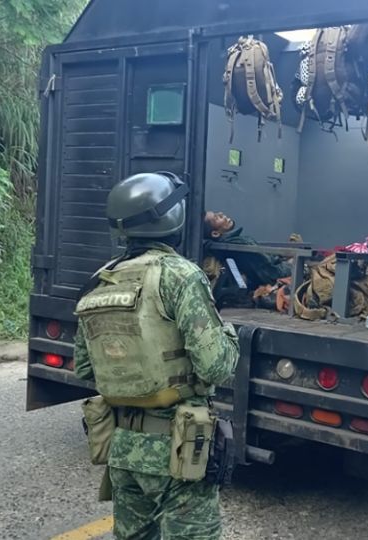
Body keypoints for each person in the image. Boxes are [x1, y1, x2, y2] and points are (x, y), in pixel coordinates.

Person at [73, 173, 239, 540]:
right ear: (171, 217)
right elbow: (216, 365)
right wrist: (229, 336)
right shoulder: (181, 276)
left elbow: (85, 366)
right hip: (178, 451)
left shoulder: (100, 279)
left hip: (124, 448)